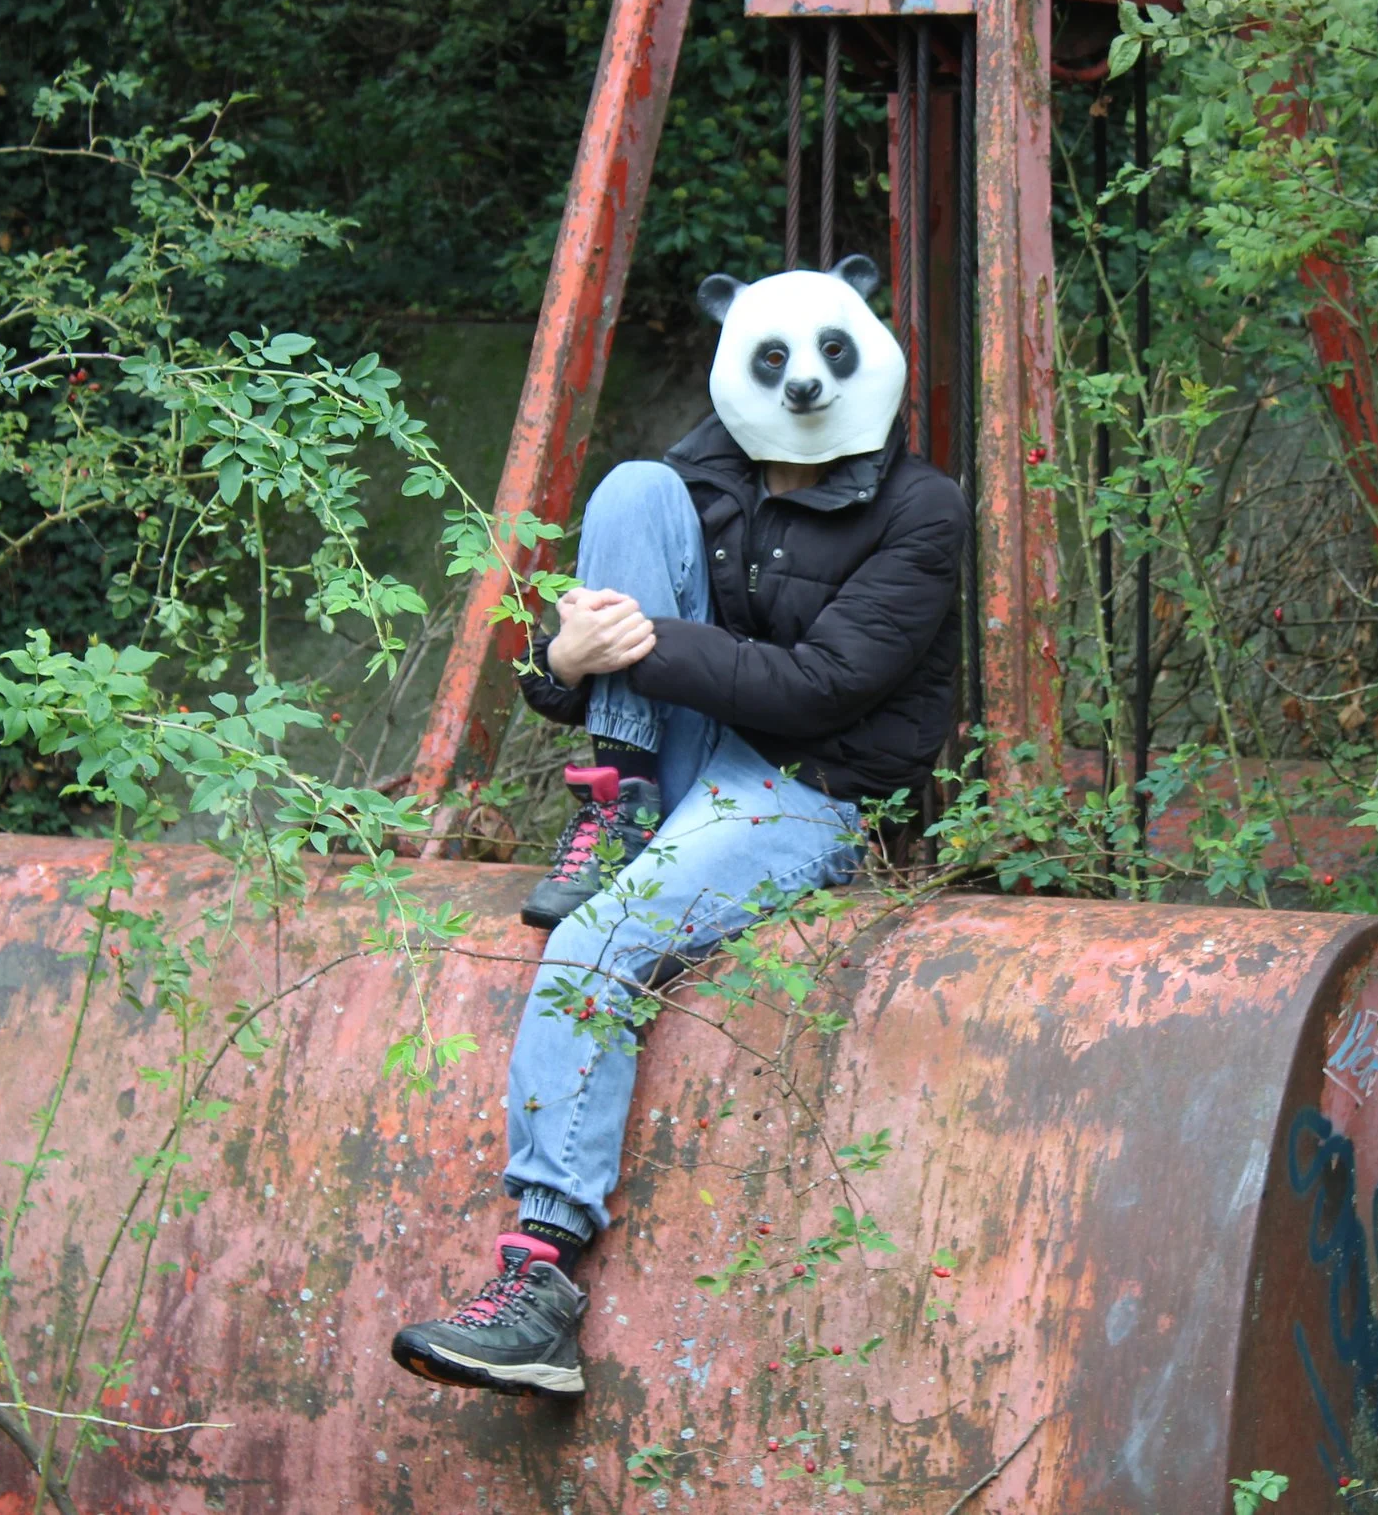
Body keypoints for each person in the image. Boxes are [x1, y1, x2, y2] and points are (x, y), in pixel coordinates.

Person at [389, 256, 967, 1396]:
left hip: (807, 786)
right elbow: (592, 654)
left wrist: (645, 639)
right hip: (685, 757)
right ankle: (618, 801)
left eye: (828, 355)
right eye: (775, 359)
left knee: (590, 945)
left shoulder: (919, 509)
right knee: (626, 491)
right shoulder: (700, 469)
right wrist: (562, 660)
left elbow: (818, 686)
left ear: (866, 348)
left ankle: (542, 1279)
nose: (804, 382)